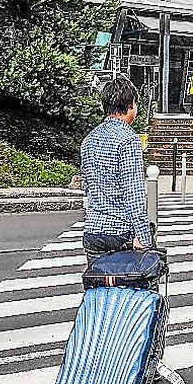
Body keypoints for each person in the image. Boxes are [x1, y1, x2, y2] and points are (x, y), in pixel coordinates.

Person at [81, 76, 153, 265]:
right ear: (130, 105)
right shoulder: (129, 140)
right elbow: (134, 193)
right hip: (120, 234)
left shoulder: (89, 139)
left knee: (98, 289)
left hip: (93, 232)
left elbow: (87, 186)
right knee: (128, 291)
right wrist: (144, 237)